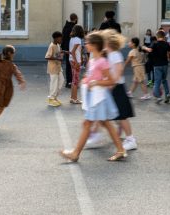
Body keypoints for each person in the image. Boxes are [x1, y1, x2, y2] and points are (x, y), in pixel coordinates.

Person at [60, 33, 127, 162]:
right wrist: (86, 79)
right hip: (94, 97)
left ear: (94, 45)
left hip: (99, 98)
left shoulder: (102, 61)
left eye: (87, 43)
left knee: (87, 124)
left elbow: (111, 80)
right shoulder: (92, 60)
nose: (85, 45)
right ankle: (120, 149)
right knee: (105, 123)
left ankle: (75, 153)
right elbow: (93, 76)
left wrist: (96, 82)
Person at [143, 30, 170, 104]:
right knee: (164, 80)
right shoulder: (166, 44)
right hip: (165, 65)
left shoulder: (155, 43)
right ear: (163, 36)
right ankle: (168, 94)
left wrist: (144, 47)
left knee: (157, 82)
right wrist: (169, 60)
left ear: (157, 36)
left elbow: (149, 50)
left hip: (157, 65)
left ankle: (158, 97)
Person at [45, 31, 64, 107]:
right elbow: (47, 57)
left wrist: (63, 52)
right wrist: (56, 58)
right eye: (60, 38)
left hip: (58, 67)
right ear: (56, 38)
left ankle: (54, 97)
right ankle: (51, 99)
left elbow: (58, 54)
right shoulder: (51, 46)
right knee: (54, 83)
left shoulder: (58, 45)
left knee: (61, 81)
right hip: (53, 68)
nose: (61, 40)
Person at [62, 13, 78, 88]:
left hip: (67, 48)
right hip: (73, 48)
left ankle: (68, 81)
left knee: (68, 65)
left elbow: (63, 38)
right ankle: (73, 82)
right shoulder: (74, 27)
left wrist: (63, 48)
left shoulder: (66, 26)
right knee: (74, 64)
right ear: (75, 19)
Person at [69, 25, 84, 104]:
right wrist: (77, 62)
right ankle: (75, 99)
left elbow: (73, 51)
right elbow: (73, 51)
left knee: (73, 80)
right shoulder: (78, 39)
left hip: (71, 60)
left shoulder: (72, 39)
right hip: (75, 61)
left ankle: (72, 98)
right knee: (76, 81)